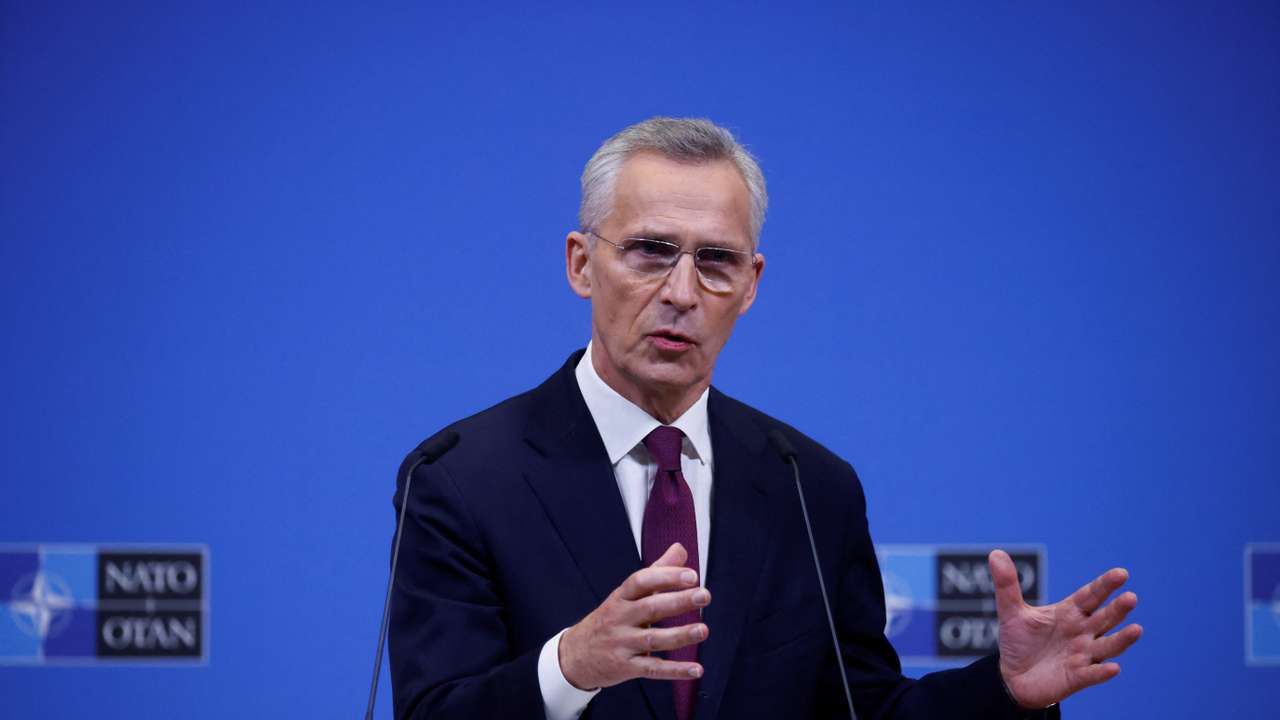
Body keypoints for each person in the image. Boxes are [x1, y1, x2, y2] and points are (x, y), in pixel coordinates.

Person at [387, 117, 1142, 720]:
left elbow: (862, 711)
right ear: (581, 263)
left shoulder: (811, 486)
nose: (682, 291)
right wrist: (571, 665)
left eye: (715, 261)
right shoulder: (459, 477)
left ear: (750, 285)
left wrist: (1002, 692)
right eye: (651, 252)